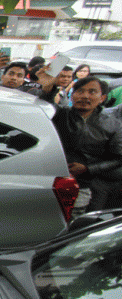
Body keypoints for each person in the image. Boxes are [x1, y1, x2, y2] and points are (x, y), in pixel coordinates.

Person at [52, 76, 122, 215]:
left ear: (102, 98)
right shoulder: (60, 115)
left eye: (92, 92)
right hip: (53, 178)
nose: (85, 96)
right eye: (80, 91)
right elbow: (46, 104)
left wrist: (88, 168)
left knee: (78, 224)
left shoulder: (113, 124)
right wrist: (49, 89)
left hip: (86, 185)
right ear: (72, 95)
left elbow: (118, 158)